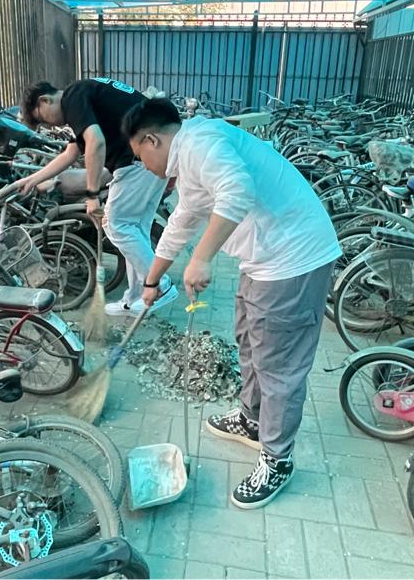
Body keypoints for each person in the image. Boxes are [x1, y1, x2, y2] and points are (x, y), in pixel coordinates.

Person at [123, 98, 341, 510]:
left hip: (292, 261)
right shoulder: (192, 155)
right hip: (265, 259)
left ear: (151, 140)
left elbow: (237, 190)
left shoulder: (200, 143)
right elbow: (182, 221)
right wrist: (152, 279)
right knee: (249, 341)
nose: (144, 166)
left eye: (139, 156)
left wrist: (202, 259)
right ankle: (252, 420)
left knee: (278, 366)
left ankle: (277, 460)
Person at [19, 78, 178, 316]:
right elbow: (71, 153)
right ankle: (137, 298)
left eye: (42, 119)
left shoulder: (73, 96)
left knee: (115, 225)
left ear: (44, 100)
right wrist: (33, 179)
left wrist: (92, 195)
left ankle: (160, 285)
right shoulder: (84, 97)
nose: (48, 126)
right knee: (135, 231)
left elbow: (96, 142)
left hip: (138, 161)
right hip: (156, 157)